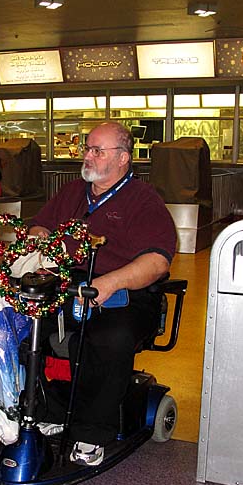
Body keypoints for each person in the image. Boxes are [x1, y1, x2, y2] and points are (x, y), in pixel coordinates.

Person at [28, 122, 176, 466]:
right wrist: (39, 247)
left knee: (104, 340)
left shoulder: (143, 200)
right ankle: (53, 410)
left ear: (123, 158)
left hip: (127, 293)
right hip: (71, 286)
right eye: (87, 148)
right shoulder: (73, 192)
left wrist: (110, 283)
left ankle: (91, 433)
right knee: (25, 335)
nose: (88, 156)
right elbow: (41, 225)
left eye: (98, 150)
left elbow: (156, 262)